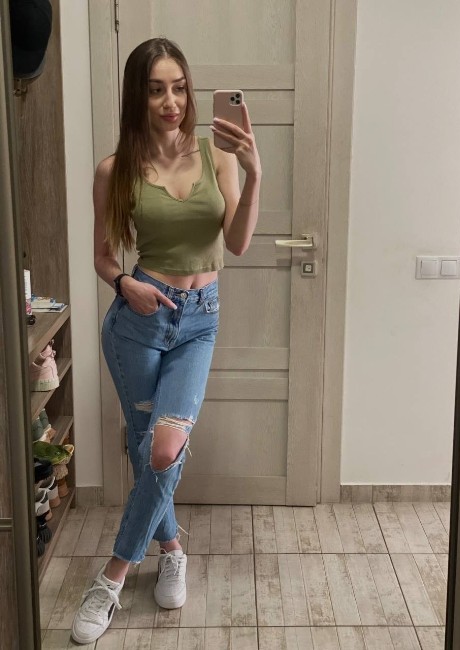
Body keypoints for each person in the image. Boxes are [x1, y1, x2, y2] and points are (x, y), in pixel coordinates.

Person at [71, 37, 261, 645]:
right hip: (138, 322)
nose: (171, 101)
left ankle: (110, 579)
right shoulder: (115, 170)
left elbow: (237, 244)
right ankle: (172, 547)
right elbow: (103, 256)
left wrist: (254, 172)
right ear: (139, 96)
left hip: (199, 320)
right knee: (148, 449)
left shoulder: (217, 155)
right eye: (156, 89)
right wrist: (124, 284)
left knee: (163, 448)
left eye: (178, 87)